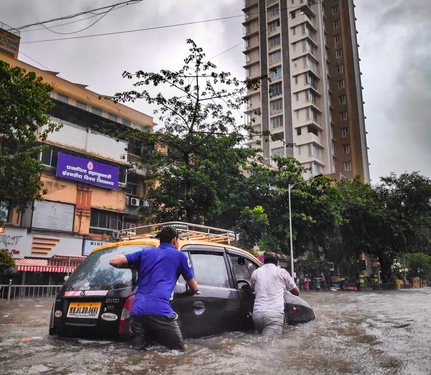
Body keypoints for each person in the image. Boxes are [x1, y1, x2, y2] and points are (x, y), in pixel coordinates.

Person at [109, 227, 199, 352]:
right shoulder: (180, 256)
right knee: (179, 353)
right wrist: (190, 292)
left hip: (137, 313)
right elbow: (194, 287)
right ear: (174, 241)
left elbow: (113, 261)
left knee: (137, 354)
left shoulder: (144, 253)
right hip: (161, 312)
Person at [250, 252, 299, 336]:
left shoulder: (256, 273)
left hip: (257, 315)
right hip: (274, 316)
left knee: (260, 342)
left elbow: (252, 288)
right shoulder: (282, 272)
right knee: (270, 346)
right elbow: (296, 292)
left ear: (264, 262)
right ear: (277, 262)